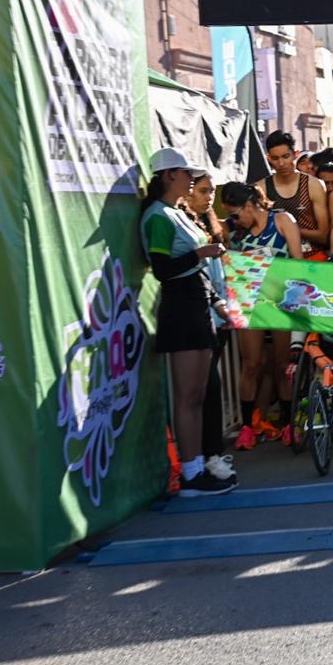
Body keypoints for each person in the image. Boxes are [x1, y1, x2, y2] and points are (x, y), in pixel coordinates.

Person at [139, 148, 235, 496]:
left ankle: (199, 465)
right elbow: (163, 270)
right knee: (187, 395)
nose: (190, 179)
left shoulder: (175, 213)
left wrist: (217, 302)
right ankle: (191, 471)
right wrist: (199, 254)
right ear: (168, 176)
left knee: (199, 392)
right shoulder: (158, 216)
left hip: (197, 303)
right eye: (184, 173)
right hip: (180, 305)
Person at [222, 181, 303, 450]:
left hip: (280, 302)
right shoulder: (233, 231)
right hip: (250, 303)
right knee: (252, 364)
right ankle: (247, 427)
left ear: (249, 205)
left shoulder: (282, 220)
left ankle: (290, 424)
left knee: (282, 366)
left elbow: (298, 263)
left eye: (236, 214)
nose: (234, 220)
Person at [181, 172, 238, 485]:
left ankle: (212, 453)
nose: (207, 198)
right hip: (200, 315)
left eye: (210, 192)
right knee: (203, 391)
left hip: (220, 316)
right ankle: (206, 456)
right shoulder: (185, 228)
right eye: (202, 191)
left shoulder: (211, 226)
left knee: (210, 391)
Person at [259, 130, 329, 258]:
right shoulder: (261, 188)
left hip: (311, 257)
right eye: (275, 158)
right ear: (268, 158)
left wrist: (289, 230)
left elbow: (323, 235)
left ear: (295, 155)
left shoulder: (313, 185)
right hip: (276, 260)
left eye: (286, 157)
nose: (281, 163)